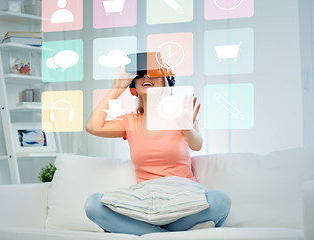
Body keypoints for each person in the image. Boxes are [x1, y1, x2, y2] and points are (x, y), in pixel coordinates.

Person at [84, 62, 231, 236]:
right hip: (146, 200)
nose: (146, 76)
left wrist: (187, 128)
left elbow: (196, 144)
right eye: (140, 74)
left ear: (166, 82)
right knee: (93, 204)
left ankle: (149, 235)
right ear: (134, 86)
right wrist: (116, 88)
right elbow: (93, 126)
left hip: (183, 198)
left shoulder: (180, 115)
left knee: (220, 200)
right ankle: (171, 235)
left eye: (153, 72)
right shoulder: (129, 121)